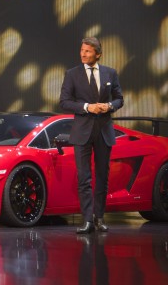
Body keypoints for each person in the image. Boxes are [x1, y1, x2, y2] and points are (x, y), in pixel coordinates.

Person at [59, 37, 124, 234]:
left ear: (98, 54)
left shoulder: (110, 73)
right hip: (82, 132)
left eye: (87, 51)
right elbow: (64, 102)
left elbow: (119, 99)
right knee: (84, 178)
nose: (83, 54)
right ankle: (87, 220)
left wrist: (109, 106)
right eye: (82, 50)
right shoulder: (72, 74)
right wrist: (87, 107)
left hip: (104, 131)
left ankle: (99, 218)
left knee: (103, 176)